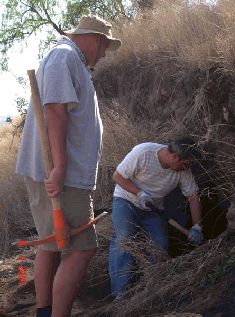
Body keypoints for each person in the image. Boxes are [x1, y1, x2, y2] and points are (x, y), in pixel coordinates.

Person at [16, 15, 121, 317]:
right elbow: (55, 112)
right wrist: (60, 169)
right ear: (97, 40)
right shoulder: (65, 57)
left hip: (54, 172)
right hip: (63, 175)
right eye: (104, 48)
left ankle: (44, 312)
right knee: (81, 248)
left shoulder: (65, 58)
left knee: (50, 244)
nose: (102, 56)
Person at [109, 138, 203, 298]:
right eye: (186, 163)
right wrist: (139, 193)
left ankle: (152, 290)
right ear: (175, 157)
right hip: (126, 200)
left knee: (160, 244)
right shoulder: (143, 152)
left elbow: (193, 197)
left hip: (154, 209)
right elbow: (117, 176)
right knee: (124, 238)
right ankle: (120, 294)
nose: (188, 167)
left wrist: (197, 226)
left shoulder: (182, 171)